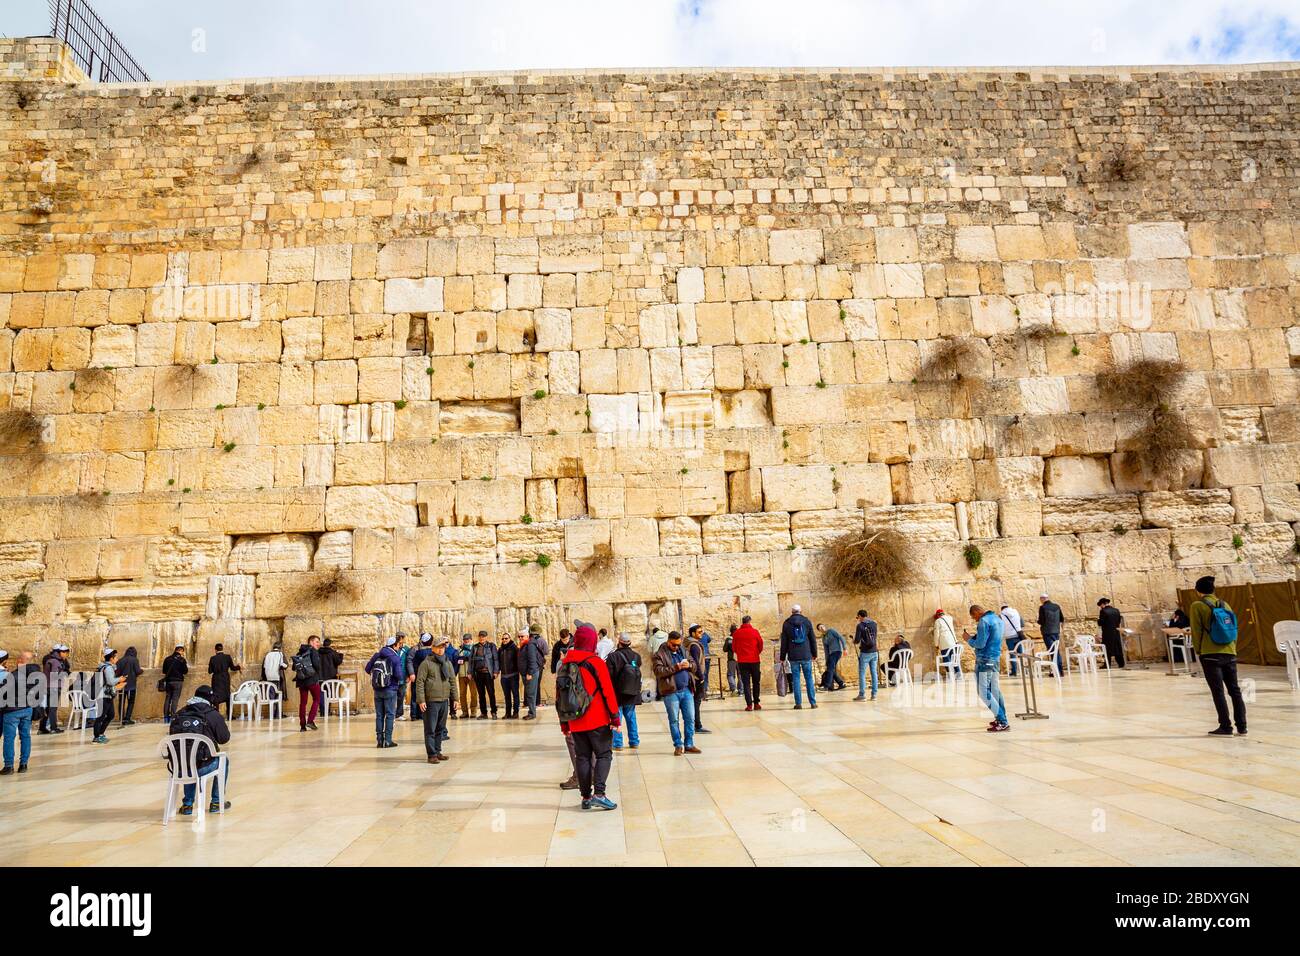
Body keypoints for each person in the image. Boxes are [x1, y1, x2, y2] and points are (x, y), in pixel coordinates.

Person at [558, 626, 620, 810]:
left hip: (575, 720)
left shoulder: (564, 664)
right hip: (597, 719)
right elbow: (608, 692)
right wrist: (615, 717)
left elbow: (559, 698)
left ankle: (585, 797)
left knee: (582, 757)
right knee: (604, 754)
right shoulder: (596, 662)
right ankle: (599, 794)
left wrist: (564, 724)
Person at [1190, 576, 1246, 736]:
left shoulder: (1197, 605)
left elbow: (1196, 630)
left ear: (1198, 591)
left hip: (1210, 654)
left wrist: (1199, 650)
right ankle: (1242, 726)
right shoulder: (1224, 604)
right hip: (1229, 651)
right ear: (1213, 590)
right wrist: (1232, 647)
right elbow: (1233, 627)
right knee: (1235, 690)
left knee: (1218, 691)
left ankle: (1225, 726)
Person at [168, 685, 231, 816]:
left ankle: (187, 805)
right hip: (202, 766)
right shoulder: (212, 714)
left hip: (177, 767)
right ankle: (216, 802)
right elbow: (224, 738)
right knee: (223, 761)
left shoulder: (179, 714)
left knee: (187, 758)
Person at [652, 631, 702, 755]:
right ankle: (678, 745)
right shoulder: (659, 654)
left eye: (679, 644)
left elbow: (694, 665)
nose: (677, 647)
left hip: (686, 690)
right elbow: (659, 671)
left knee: (690, 718)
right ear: (669, 642)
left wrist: (689, 665)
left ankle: (689, 744)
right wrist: (676, 667)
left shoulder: (683, 650)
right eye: (674, 645)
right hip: (671, 692)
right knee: (674, 720)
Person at [965, 605, 1009, 732]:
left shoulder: (984, 621)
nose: (975, 620)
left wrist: (968, 639)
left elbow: (980, 644)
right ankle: (1002, 717)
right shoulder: (997, 619)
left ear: (977, 612)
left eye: (974, 617)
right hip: (995, 659)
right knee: (994, 690)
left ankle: (1002, 720)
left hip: (984, 660)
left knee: (983, 692)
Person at [415, 635, 456, 763]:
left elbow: (452, 681)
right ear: (433, 648)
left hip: (444, 700)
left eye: (443, 647)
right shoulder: (426, 663)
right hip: (431, 701)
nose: (441, 649)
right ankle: (431, 754)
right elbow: (420, 682)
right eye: (439, 647)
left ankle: (438, 751)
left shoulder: (447, 663)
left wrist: (455, 698)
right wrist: (421, 700)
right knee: (430, 729)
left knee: (440, 728)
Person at [364, 635, 403, 748]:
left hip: (377, 690)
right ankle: (388, 740)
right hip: (390, 689)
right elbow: (399, 675)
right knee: (390, 715)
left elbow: (367, 669)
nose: (399, 647)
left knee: (379, 715)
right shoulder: (395, 657)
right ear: (394, 645)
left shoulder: (377, 655)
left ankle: (380, 741)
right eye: (398, 645)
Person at [606, 633, 642, 750]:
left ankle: (618, 743)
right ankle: (634, 741)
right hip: (632, 692)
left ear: (619, 642)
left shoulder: (612, 657)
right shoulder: (636, 656)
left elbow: (609, 676)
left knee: (617, 718)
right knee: (631, 718)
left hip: (617, 693)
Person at [779, 604, 818, 710]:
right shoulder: (807, 622)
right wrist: (814, 654)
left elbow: (784, 642)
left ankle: (798, 703)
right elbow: (812, 639)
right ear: (801, 611)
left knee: (796, 679)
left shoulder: (786, 623)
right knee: (809, 678)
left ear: (792, 612)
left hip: (793, 655)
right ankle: (813, 703)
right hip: (806, 654)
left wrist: (782, 657)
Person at [1, 650, 33, 775]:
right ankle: (23, 764)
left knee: (9, 738)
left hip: (11, 710)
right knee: (25, 736)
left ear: (19, 660)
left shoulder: (11, 676)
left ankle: (9, 766)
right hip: (27, 709)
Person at [92, 649, 126, 743]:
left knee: (111, 715)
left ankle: (101, 733)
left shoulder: (105, 667)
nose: (117, 659)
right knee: (101, 716)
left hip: (107, 695)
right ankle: (96, 737)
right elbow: (110, 681)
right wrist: (120, 679)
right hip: (104, 695)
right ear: (111, 658)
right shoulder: (108, 668)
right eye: (116, 657)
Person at [732, 615, 764, 711]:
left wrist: (740, 654)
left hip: (742, 661)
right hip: (754, 660)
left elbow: (734, 647)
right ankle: (757, 703)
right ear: (749, 621)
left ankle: (749, 705)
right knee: (756, 682)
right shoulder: (755, 632)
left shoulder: (736, 633)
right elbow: (760, 644)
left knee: (746, 683)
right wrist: (756, 653)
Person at [292, 636, 323, 731]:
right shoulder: (313, 651)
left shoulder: (299, 652)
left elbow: (294, 667)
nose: (318, 644)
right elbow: (317, 666)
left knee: (303, 703)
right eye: (317, 642)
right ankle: (310, 721)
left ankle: (302, 726)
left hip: (301, 681)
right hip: (312, 680)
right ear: (311, 642)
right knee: (317, 699)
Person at [39, 643, 69, 734]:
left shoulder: (49, 659)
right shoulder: (55, 661)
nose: (66, 654)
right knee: (52, 708)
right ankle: (53, 728)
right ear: (60, 652)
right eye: (65, 652)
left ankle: (42, 728)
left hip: (47, 686)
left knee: (47, 709)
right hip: (54, 687)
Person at [686, 624, 710, 733]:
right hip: (696, 677)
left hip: (694, 676)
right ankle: (697, 725)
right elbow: (696, 662)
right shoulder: (694, 645)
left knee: (695, 701)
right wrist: (701, 677)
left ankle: (695, 724)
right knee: (696, 701)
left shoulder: (690, 643)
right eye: (699, 632)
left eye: (702, 631)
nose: (701, 634)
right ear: (693, 633)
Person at [470, 630, 500, 719]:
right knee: (481, 694)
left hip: (488, 673)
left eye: (483, 636)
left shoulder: (491, 646)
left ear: (486, 637)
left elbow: (495, 659)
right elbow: (471, 661)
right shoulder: (475, 647)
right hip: (478, 674)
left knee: (491, 693)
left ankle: (494, 712)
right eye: (480, 636)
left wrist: (496, 671)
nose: (482, 638)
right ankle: (484, 713)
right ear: (478, 637)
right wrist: (470, 672)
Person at [206, 643, 240, 718]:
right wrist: (239, 667)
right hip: (225, 678)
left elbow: (209, 671)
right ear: (222, 649)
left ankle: (216, 714)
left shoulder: (212, 658)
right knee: (227, 695)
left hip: (216, 679)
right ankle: (229, 715)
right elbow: (233, 668)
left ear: (215, 650)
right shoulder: (227, 657)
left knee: (216, 696)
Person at [518, 627, 545, 720]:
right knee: (529, 693)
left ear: (527, 636)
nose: (520, 638)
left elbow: (532, 660)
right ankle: (531, 712)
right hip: (526, 673)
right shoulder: (525, 644)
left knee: (531, 694)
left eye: (522, 636)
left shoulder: (530, 645)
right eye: (519, 636)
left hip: (531, 673)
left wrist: (529, 673)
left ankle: (532, 713)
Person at [853, 609, 879, 700]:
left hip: (865, 652)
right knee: (874, 673)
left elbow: (857, 640)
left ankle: (862, 695)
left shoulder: (860, 626)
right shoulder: (874, 623)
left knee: (862, 673)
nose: (858, 619)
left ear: (860, 616)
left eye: (858, 617)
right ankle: (874, 695)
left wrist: (854, 640)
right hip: (874, 651)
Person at [1036, 594, 1064, 675]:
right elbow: (1062, 619)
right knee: (1056, 650)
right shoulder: (1057, 606)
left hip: (1047, 632)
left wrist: (1037, 621)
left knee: (1052, 651)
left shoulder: (1042, 607)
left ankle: (1056, 671)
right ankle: (1060, 670)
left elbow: (1042, 621)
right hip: (1056, 632)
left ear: (1042, 599)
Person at [161, 644, 188, 720]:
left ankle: (166, 717)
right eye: (183, 651)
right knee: (175, 699)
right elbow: (185, 671)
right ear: (180, 650)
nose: (182, 653)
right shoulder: (182, 660)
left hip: (169, 681)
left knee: (168, 699)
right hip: (178, 681)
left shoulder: (167, 659)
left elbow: (164, 671)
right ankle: (173, 717)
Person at [1096, 597, 1126, 668]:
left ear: (1103, 604)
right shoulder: (1116, 610)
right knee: (1117, 648)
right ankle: (1121, 663)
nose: (1100, 607)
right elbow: (1118, 621)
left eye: (1100, 605)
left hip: (1107, 633)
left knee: (1107, 649)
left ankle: (1107, 665)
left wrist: (1098, 620)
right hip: (1116, 632)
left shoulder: (1103, 611)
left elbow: (1101, 623)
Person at [817, 623, 847, 691]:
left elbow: (841, 637)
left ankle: (826, 686)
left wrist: (845, 648)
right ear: (819, 631)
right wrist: (827, 660)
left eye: (822, 626)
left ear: (824, 626)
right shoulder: (823, 637)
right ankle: (841, 684)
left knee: (830, 669)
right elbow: (826, 650)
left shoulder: (831, 631)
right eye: (819, 628)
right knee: (831, 669)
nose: (821, 628)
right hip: (831, 654)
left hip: (837, 651)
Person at [454, 634, 478, 719]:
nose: (466, 641)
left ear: (471, 639)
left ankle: (474, 711)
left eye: (468, 639)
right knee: (462, 694)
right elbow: (457, 660)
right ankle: (464, 712)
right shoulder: (460, 649)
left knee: (474, 693)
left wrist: (467, 658)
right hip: (461, 674)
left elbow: (476, 660)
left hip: (472, 675)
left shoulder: (475, 648)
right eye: (464, 639)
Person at [498, 631, 521, 719]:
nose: (504, 640)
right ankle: (507, 713)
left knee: (515, 694)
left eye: (506, 638)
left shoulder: (515, 648)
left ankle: (515, 713)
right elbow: (498, 662)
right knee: (506, 696)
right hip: (504, 676)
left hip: (513, 675)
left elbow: (518, 661)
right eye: (503, 638)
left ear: (510, 639)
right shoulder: (500, 650)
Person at [262, 642, 288, 717]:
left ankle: (271, 714)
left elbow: (264, 667)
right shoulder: (280, 654)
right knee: (278, 696)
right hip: (277, 677)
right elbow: (285, 665)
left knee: (271, 696)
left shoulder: (268, 655)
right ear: (280, 647)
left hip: (269, 678)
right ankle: (278, 714)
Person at [933, 608, 960, 680]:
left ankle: (950, 675)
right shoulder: (950, 618)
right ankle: (958, 674)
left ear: (938, 615)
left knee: (946, 659)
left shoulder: (937, 621)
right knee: (954, 659)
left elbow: (937, 634)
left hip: (945, 643)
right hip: (953, 641)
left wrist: (936, 644)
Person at [319, 637, 344, 715]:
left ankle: (322, 711)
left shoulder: (318, 652)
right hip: (330, 676)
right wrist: (340, 654)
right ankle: (327, 710)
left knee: (321, 693)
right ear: (330, 644)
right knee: (329, 694)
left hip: (320, 677)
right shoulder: (332, 652)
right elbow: (338, 661)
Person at [1000, 604, 1025, 676]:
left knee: (1012, 653)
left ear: (1002, 609)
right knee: (1021, 653)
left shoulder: (1001, 615)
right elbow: (1022, 624)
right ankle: (1023, 670)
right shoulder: (1016, 612)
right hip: (1018, 635)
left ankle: (1014, 671)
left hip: (1009, 637)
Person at [393, 633, 409, 719]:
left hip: (403, 675)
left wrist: (409, 675)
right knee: (392, 695)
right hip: (393, 676)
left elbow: (409, 662)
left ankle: (399, 714)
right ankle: (391, 713)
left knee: (401, 695)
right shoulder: (393, 648)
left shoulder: (406, 649)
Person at [723, 624, 738, 696]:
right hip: (740, 658)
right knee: (740, 674)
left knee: (730, 675)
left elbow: (724, 649)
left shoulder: (728, 639)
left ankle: (734, 689)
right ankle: (741, 691)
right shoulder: (739, 638)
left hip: (731, 659)